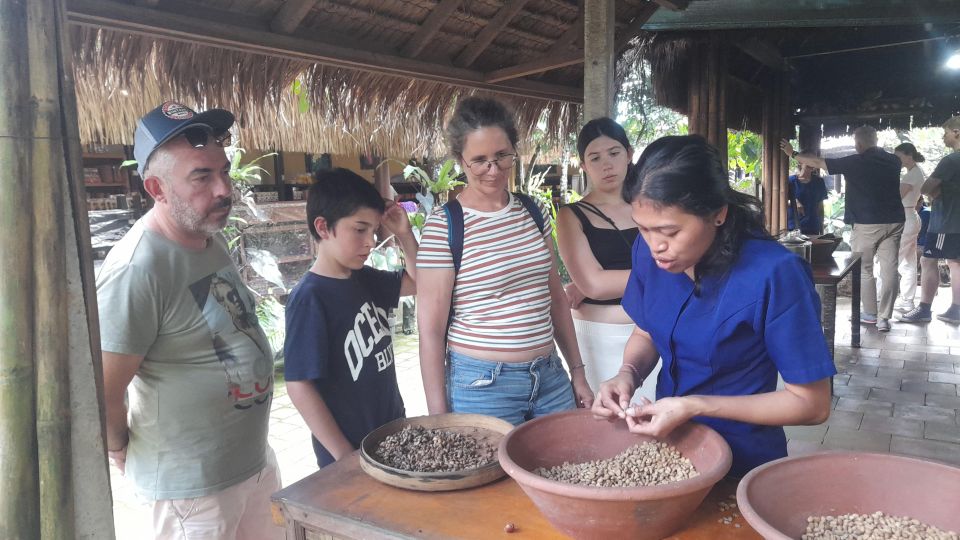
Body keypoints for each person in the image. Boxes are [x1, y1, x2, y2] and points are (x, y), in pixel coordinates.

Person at [593, 135, 834, 478]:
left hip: (742, 461)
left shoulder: (774, 274)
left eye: (670, 231)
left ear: (718, 214)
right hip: (668, 451)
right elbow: (646, 330)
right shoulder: (649, 255)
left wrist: (695, 406)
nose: (655, 245)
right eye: (643, 230)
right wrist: (627, 373)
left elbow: (812, 404)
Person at [97, 101, 282, 539]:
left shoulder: (205, 234)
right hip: (192, 492)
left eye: (224, 171)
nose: (223, 189)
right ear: (156, 189)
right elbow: (103, 388)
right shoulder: (137, 269)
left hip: (251, 463)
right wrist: (119, 447)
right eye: (201, 176)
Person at [416, 96, 594, 425]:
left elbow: (554, 297)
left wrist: (578, 373)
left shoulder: (533, 211)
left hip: (550, 377)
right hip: (482, 385)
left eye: (502, 156)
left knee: (568, 470)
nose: (493, 170)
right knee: (493, 477)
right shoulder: (445, 225)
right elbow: (430, 331)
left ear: (514, 148)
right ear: (460, 160)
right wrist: (438, 418)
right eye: (479, 160)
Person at [283, 168, 417, 467]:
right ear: (322, 227)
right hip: (349, 454)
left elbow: (420, 282)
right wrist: (344, 455)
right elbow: (299, 385)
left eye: (372, 231)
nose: (370, 242)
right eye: (359, 230)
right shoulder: (310, 298)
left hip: (392, 437)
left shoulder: (364, 278)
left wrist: (405, 234)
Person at [556, 118, 659, 402]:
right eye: (595, 157)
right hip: (600, 336)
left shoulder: (653, 204)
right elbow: (594, 284)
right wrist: (666, 277)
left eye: (614, 153)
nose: (607, 164)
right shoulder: (572, 215)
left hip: (658, 329)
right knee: (608, 424)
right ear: (583, 164)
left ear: (629, 153)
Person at [782, 126, 904, 332]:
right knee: (889, 269)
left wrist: (792, 153)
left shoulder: (856, 161)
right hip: (895, 220)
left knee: (864, 268)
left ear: (859, 144)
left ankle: (870, 314)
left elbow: (818, 162)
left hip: (867, 222)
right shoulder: (894, 161)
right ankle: (885, 318)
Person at [899, 116, 960, 324]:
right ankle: (956, 309)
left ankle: (924, 309)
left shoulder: (951, 160)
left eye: (945, 133)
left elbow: (926, 188)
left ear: (956, 133)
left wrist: (935, 192)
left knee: (928, 260)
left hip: (947, 221)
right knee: (955, 262)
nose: (943, 137)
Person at [893, 143, 927, 312]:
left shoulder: (912, 175)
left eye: (898, 156)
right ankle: (907, 300)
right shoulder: (914, 172)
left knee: (891, 259)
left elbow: (896, 197)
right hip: (910, 216)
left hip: (906, 217)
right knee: (908, 262)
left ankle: (879, 300)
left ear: (909, 155)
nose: (897, 160)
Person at [786, 164, 828, 235]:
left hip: (813, 227)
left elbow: (820, 208)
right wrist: (794, 202)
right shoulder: (790, 181)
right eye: (807, 160)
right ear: (800, 163)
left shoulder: (819, 182)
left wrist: (821, 230)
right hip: (793, 227)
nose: (810, 163)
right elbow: (779, 202)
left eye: (812, 161)